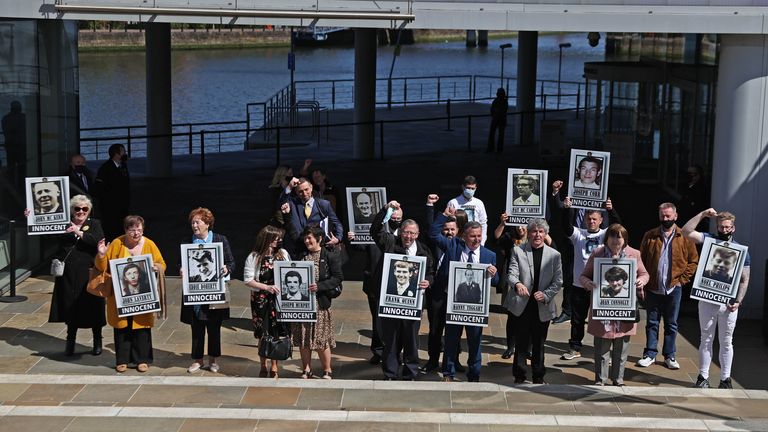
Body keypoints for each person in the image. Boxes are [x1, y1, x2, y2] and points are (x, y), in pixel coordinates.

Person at [682, 208, 750, 389]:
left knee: (727, 341)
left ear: (733, 228)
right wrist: (702, 214)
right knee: (706, 338)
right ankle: (703, 377)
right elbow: (686, 232)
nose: (724, 230)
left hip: (728, 303)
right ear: (717, 226)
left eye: (727, 227)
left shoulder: (741, 251)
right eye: (721, 226)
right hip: (707, 299)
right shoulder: (709, 239)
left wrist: (739, 300)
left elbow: (745, 279)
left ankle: (725, 379)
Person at [554, 184, 620, 361]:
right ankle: (574, 347)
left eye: (595, 219)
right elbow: (565, 227)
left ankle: (604, 349)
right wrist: (567, 210)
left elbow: (618, 227)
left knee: (604, 319)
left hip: (601, 286)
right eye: (589, 219)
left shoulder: (606, 235)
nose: (591, 221)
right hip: (579, 284)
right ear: (585, 220)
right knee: (577, 319)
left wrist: (611, 210)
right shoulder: (579, 234)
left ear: (600, 220)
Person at [431, 209, 498, 382]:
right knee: (451, 340)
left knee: (475, 343)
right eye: (472, 236)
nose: (476, 239)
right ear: (464, 236)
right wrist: (444, 215)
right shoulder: (453, 246)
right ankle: (448, 373)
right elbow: (432, 234)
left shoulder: (489, 255)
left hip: (476, 307)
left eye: (479, 236)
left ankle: (474, 374)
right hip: (455, 304)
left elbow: (497, 280)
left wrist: (493, 273)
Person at [370, 201, 434, 381]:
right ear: (401, 231)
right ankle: (390, 373)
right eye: (406, 232)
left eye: (412, 233)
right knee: (391, 341)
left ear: (417, 234)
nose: (408, 236)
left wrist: (427, 282)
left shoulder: (423, 251)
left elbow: (431, 272)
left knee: (411, 341)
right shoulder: (391, 242)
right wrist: (385, 211)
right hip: (391, 303)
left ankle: (410, 373)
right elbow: (375, 231)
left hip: (413, 304)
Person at [579, 224, 649, 386]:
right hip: (602, 310)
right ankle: (600, 380)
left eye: (619, 237)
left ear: (625, 239)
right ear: (607, 238)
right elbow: (583, 276)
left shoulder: (634, 254)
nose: (615, 240)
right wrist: (588, 283)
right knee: (601, 349)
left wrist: (641, 281)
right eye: (612, 236)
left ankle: (618, 380)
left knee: (622, 349)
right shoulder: (597, 253)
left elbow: (644, 274)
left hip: (625, 309)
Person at [96, 215, 166, 373]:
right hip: (120, 296)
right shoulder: (117, 243)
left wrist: (156, 267)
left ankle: (142, 359)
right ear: (126, 230)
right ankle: (122, 360)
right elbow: (102, 267)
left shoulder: (149, 244)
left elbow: (162, 263)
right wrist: (101, 255)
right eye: (132, 230)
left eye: (139, 230)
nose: (136, 233)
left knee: (141, 328)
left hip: (142, 294)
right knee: (122, 328)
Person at [637, 202, 698, 370]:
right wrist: (642, 282)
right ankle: (650, 354)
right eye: (662, 215)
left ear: (675, 216)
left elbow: (693, 261)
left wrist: (682, 280)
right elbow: (640, 260)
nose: (665, 218)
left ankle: (669, 355)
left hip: (674, 288)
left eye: (668, 216)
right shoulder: (650, 235)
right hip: (653, 287)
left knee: (671, 324)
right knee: (652, 322)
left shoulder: (685, 237)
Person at [504, 219, 563, 384]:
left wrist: (545, 295)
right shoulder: (517, 250)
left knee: (539, 343)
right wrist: (517, 284)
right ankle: (520, 374)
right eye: (534, 231)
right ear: (529, 233)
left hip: (542, 305)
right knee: (521, 342)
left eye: (541, 232)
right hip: (522, 305)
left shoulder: (554, 255)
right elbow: (511, 274)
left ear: (545, 234)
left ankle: (538, 375)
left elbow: (558, 282)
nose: (537, 235)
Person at [47, 195, 105, 356]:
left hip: (89, 272)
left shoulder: (94, 224)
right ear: (72, 210)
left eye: (84, 209)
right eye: (77, 208)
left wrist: (79, 232)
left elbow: (97, 241)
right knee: (70, 307)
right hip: (69, 273)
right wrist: (31, 217)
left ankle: (97, 341)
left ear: (89, 211)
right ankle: (70, 341)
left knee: (93, 307)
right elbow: (45, 234)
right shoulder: (62, 223)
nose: (81, 212)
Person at [180, 207, 235, 374]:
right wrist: (181, 269)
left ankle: (213, 360)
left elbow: (231, 262)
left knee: (213, 327)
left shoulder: (220, 239)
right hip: (195, 292)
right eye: (192, 222)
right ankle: (197, 360)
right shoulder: (187, 242)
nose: (194, 225)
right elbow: (179, 262)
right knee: (196, 327)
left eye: (198, 222)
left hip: (214, 291)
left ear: (207, 223)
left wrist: (226, 269)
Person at [348, 202, 403, 365]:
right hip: (375, 283)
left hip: (395, 285)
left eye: (399, 218)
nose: (396, 220)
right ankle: (378, 351)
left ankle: (395, 352)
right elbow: (361, 246)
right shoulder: (378, 233)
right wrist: (352, 239)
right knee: (378, 321)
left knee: (396, 321)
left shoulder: (406, 236)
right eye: (393, 218)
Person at [289, 225, 344, 380]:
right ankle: (306, 369)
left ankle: (327, 370)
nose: (307, 241)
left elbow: (338, 277)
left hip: (320, 304)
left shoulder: (329, 255)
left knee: (321, 339)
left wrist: (319, 286)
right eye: (305, 238)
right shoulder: (301, 256)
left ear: (319, 239)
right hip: (303, 304)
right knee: (304, 338)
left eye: (310, 238)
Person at [494, 215, 552, 360]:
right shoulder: (509, 237)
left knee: (533, 317)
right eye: (517, 225)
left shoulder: (536, 237)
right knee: (513, 316)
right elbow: (496, 237)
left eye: (523, 225)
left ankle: (529, 349)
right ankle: (510, 347)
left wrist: (542, 231)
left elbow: (552, 247)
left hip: (533, 283)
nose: (520, 228)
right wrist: (502, 223)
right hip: (514, 281)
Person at [422, 194, 465, 374]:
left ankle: (454, 359)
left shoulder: (460, 245)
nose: (449, 232)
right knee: (435, 329)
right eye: (446, 229)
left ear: (457, 230)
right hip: (437, 292)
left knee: (454, 329)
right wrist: (439, 212)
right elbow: (432, 230)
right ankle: (432, 360)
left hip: (456, 294)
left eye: (452, 229)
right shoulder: (438, 242)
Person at [243, 225, 290, 378]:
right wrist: (266, 287)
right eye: (276, 238)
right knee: (262, 333)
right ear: (267, 240)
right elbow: (248, 280)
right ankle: (263, 365)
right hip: (260, 300)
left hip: (277, 300)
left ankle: (274, 366)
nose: (279, 241)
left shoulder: (282, 254)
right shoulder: (254, 257)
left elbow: (290, 270)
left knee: (276, 332)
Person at [280, 177, 343, 258]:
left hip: (317, 247)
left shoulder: (323, 204)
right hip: (297, 247)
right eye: (300, 191)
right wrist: (289, 187)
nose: (304, 193)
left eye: (306, 189)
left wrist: (338, 238)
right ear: (296, 192)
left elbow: (336, 223)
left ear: (311, 188)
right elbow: (281, 202)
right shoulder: (293, 204)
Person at [94, 143, 130, 241]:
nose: (125, 154)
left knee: (122, 229)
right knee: (111, 231)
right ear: (116, 154)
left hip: (122, 206)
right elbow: (99, 189)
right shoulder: (105, 169)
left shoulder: (123, 166)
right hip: (110, 208)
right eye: (123, 152)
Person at [447, 175, 488, 244]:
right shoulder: (453, 202)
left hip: (475, 239)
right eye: (468, 188)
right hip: (458, 239)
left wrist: (482, 241)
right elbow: (449, 223)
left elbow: (483, 223)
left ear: (476, 188)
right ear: (463, 187)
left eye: (472, 188)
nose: (470, 190)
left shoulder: (479, 203)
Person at [2, 100, 26, 187]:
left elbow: (6, 133)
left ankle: (11, 186)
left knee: (11, 168)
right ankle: (21, 186)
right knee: (22, 169)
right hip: (22, 147)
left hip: (10, 147)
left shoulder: (6, 118)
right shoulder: (24, 118)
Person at [487, 87, 508, 153]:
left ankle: (491, 148)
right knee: (501, 134)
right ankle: (499, 149)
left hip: (495, 119)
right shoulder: (505, 102)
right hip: (502, 119)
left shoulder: (495, 101)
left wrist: (495, 114)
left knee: (492, 133)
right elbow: (504, 110)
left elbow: (492, 110)